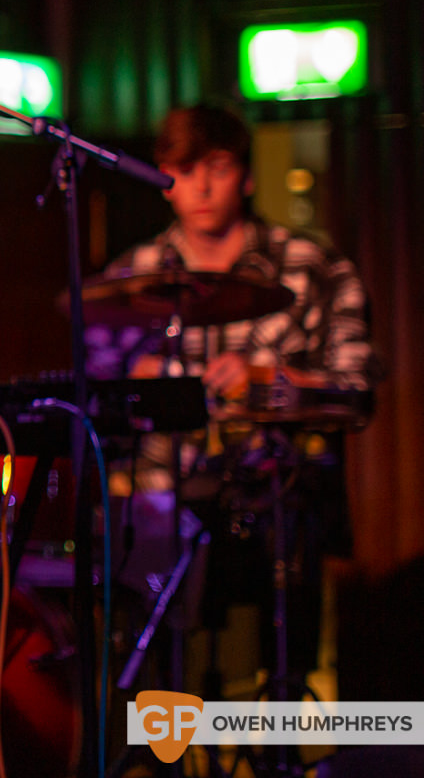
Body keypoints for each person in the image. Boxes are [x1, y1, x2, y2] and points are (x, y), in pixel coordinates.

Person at [101, 103, 372, 687]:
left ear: (246, 178)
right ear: (164, 180)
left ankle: (282, 715)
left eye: (217, 168)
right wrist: (140, 380)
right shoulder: (130, 277)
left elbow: (355, 392)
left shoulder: (314, 266)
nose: (201, 187)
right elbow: (95, 399)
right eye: (184, 170)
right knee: (158, 671)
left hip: (274, 502)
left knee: (284, 657)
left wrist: (268, 379)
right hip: (161, 506)